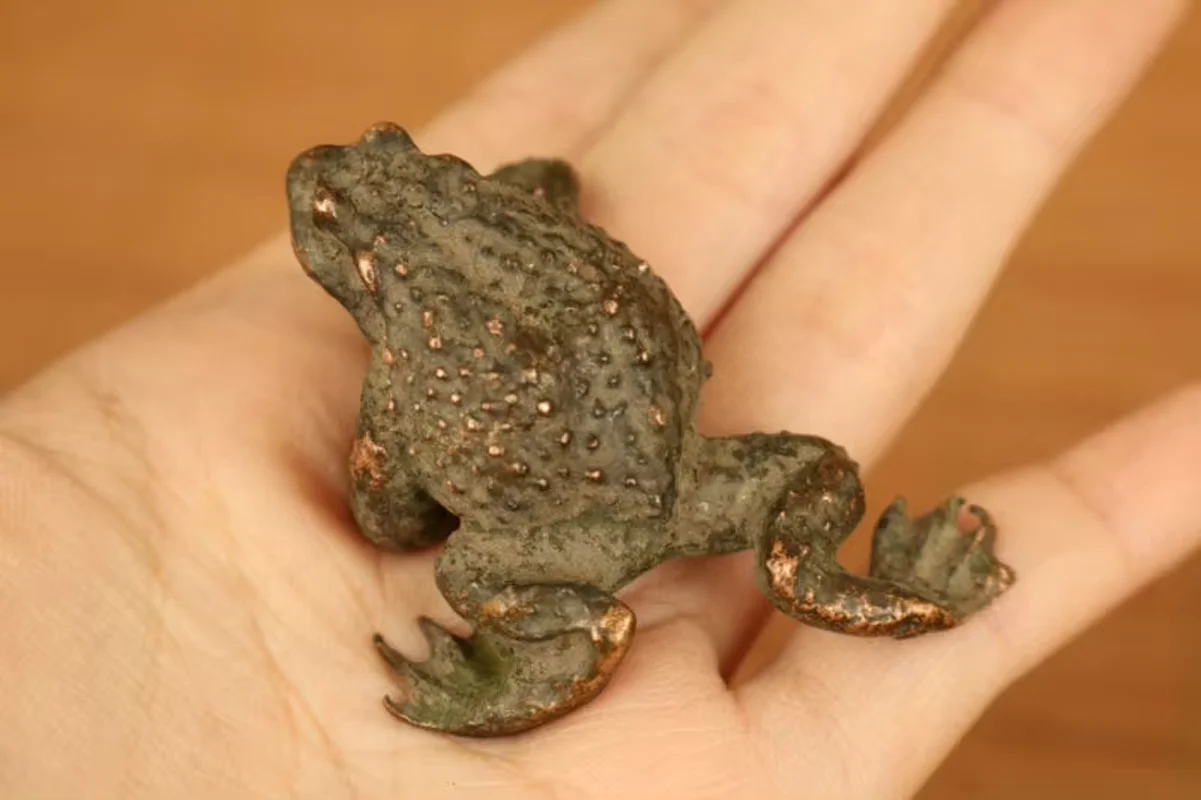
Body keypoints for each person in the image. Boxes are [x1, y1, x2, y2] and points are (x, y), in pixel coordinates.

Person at [2, 1, 1196, 797]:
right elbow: (551, 184)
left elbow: (398, 520)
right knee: (783, 477)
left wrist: (409, 455)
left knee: (475, 573)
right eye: (337, 214)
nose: (324, 191)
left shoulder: (408, 367)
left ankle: (555, 640)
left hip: (611, 505)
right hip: (677, 454)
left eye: (358, 194)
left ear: (365, 281)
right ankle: (875, 591)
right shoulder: (497, 224)